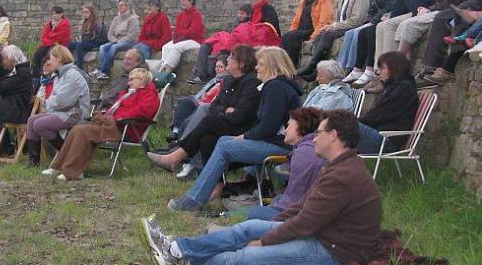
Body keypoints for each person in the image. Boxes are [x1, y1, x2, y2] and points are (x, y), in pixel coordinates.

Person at [140, 110, 383, 265]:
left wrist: (266, 241)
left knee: (247, 256)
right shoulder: (338, 166)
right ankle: (178, 248)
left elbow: (305, 223)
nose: (314, 137)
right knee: (248, 228)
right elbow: (302, 206)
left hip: (334, 251)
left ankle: (189, 259)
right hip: (324, 235)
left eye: (319, 133)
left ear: (334, 135)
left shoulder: (343, 175)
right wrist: (269, 227)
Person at [162, 46, 303, 212]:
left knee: (224, 145)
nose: (257, 67)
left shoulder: (275, 87)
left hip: (280, 145)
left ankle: (193, 200)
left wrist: (246, 136)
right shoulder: (277, 86)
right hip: (276, 141)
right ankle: (212, 187)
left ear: (273, 66)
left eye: (261, 64)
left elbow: (269, 126)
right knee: (220, 140)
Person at [146, 45, 260, 172]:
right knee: (207, 139)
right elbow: (214, 106)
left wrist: (224, 111)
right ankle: (213, 183)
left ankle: (175, 157)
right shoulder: (229, 81)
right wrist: (226, 110)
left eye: (232, 57)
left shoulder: (251, 83)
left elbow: (240, 116)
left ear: (242, 63)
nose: (227, 59)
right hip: (227, 123)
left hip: (242, 130)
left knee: (210, 121)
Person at [41, 68, 159, 180]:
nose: (128, 82)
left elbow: (140, 112)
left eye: (132, 79)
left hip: (125, 129)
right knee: (77, 129)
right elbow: (114, 110)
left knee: (82, 131)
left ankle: (72, 172)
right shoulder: (129, 93)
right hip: (113, 125)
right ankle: (60, 166)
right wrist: (104, 115)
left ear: (142, 80)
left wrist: (113, 118)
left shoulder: (149, 95)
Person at [247, 107, 325, 221]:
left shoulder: (303, 153)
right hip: (310, 212)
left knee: (255, 213)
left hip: (301, 219)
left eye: (288, 125)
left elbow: (295, 200)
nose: (285, 130)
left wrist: (274, 207)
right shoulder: (312, 147)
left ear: (298, 126)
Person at [25, 45, 91, 166]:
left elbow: (60, 101)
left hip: (75, 114)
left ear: (60, 59)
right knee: (31, 121)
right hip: (62, 112)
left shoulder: (72, 75)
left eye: (51, 59)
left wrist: (50, 101)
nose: (49, 62)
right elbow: (54, 99)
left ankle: (67, 154)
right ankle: (33, 161)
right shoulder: (59, 75)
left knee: (39, 125)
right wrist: (51, 101)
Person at [418, 0, 482, 86]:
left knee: (449, 15)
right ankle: (465, 39)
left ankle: (467, 43)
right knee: (462, 9)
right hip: (476, 2)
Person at [297, 0, 369, 81]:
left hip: (353, 29)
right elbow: (339, 18)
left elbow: (357, 20)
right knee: (321, 34)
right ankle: (316, 71)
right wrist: (332, 26)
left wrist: (334, 26)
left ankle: (311, 66)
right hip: (344, 27)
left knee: (328, 34)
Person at [338, 0, 396, 77]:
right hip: (377, 18)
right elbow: (372, 8)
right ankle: (347, 68)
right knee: (353, 32)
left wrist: (374, 20)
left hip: (386, 17)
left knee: (364, 31)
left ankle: (364, 68)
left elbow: (390, 5)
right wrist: (370, 19)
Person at [357, 52, 419, 154]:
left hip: (388, 140)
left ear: (394, 68)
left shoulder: (404, 90)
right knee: (335, 128)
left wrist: (352, 122)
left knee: (339, 126)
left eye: (382, 68)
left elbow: (380, 115)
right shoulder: (395, 87)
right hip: (381, 134)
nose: (378, 72)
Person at [190, 5, 252, 83]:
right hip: (223, 42)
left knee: (220, 55)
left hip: (230, 47)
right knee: (204, 47)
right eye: (239, 13)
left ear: (249, 15)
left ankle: (208, 77)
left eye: (242, 14)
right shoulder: (234, 23)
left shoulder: (248, 26)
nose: (239, 15)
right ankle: (200, 74)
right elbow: (225, 32)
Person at [280, 0, 334, 67]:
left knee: (293, 37)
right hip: (302, 29)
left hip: (313, 30)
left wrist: (313, 37)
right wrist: (292, 29)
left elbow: (324, 21)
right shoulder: (304, 0)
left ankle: (290, 65)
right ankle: (282, 64)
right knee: (287, 36)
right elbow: (297, 19)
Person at [89, 0, 139, 80]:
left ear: (128, 6)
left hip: (128, 42)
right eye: (119, 5)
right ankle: (101, 70)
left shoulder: (133, 19)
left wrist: (119, 41)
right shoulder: (116, 19)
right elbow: (110, 34)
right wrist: (115, 40)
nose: (119, 7)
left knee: (114, 47)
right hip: (116, 40)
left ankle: (104, 71)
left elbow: (131, 35)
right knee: (103, 47)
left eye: (122, 5)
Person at [159, 0, 205, 74]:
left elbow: (193, 32)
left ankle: (168, 71)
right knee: (165, 47)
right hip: (182, 39)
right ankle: (162, 69)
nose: (182, 2)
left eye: (184, 0)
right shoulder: (181, 15)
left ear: (191, 1)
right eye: (182, 0)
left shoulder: (196, 14)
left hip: (194, 40)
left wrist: (181, 33)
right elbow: (177, 30)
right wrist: (179, 35)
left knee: (176, 47)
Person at [31, 6, 71, 79]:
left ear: (61, 14)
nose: (54, 16)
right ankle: (36, 74)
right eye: (53, 14)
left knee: (48, 55)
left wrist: (50, 37)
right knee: (38, 53)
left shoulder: (65, 24)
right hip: (48, 44)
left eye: (56, 14)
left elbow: (58, 38)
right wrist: (49, 38)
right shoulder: (49, 24)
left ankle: (47, 74)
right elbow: (44, 35)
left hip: (59, 45)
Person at [67, 4, 107, 70]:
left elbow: (100, 38)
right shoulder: (85, 23)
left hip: (96, 42)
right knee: (70, 44)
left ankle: (79, 68)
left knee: (79, 45)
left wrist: (84, 40)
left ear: (92, 12)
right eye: (83, 12)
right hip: (87, 42)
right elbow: (84, 36)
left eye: (87, 12)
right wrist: (81, 39)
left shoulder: (98, 23)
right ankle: (68, 64)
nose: (84, 13)